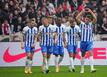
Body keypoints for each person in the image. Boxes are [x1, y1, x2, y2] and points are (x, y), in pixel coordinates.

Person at [76, 8, 97, 73]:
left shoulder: (91, 24)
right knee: (83, 55)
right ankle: (82, 68)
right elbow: (77, 18)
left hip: (89, 41)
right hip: (83, 42)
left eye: (88, 19)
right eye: (86, 19)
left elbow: (95, 19)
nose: (87, 20)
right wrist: (82, 12)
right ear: (84, 19)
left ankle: (92, 68)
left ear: (90, 20)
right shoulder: (82, 24)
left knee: (91, 53)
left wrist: (91, 12)